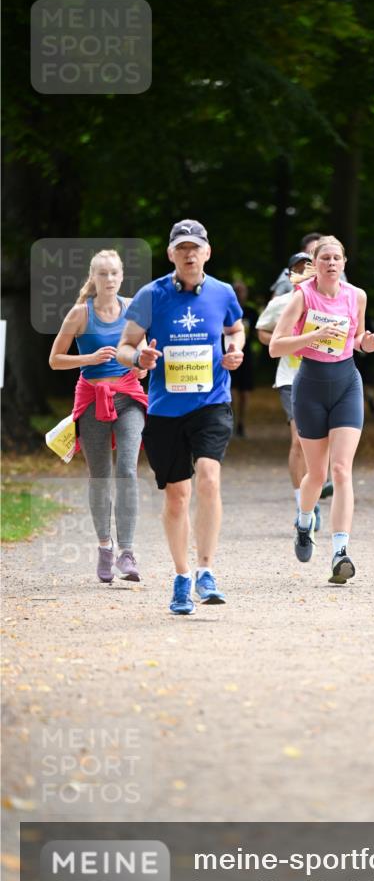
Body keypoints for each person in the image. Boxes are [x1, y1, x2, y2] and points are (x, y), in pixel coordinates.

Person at [116, 220, 244, 614]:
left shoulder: (222, 292)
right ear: (171, 254)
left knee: (208, 477)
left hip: (211, 403)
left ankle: (207, 571)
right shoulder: (150, 295)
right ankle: (182, 575)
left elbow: (236, 328)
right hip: (166, 410)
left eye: (196, 247)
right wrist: (140, 357)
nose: (190, 254)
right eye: (182, 248)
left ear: (207, 252)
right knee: (177, 497)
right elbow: (123, 346)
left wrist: (235, 350)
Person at [269, 235, 374, 583]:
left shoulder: (357, 296)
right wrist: (311, 338)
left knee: (341, 470)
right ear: (314, 265)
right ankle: (304, 521)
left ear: (344, 263)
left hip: (347, 383)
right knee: (316, 474)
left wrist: (367, 343)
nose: (331, 263)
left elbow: (358, 339)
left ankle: (340, 552)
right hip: (310, 387)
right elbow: (275, 346)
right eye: (325, 258)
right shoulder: (302, 296)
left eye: (337, 258)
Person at [49, 250, 147, 584]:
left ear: (122, 276)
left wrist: (142, 361)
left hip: (129, 396)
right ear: (93, 277)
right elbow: (55, 359)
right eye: (102, 274)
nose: (108, 280)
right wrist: (88, 358)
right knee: (100, 476)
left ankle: (127, 553)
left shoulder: (134, 308)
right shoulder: (79, 314)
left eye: (114, 273)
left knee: (127, 471)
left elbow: (141, 360)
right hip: (91, 398)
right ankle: (105, 546)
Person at [255, 251, 323, 530]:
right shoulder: (282, 302)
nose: (303, 272)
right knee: (298, 440)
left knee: (319, 443)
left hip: (321, 377)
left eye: (308, 267)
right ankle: (301, 502)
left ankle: (313, 493)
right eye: (298, 268)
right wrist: (288, 340)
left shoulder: (326, 303)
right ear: (289, 274)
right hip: (290, 378)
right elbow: (261, 331)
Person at [230, 281, 258, 438]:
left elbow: (257, 333)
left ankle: (241, 422)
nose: (239, 293)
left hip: (246, 357)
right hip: (229, 354)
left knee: (245, 393)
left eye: (242, 290)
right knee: (232, 391)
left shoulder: (251, 312)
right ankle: (232, 422)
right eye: (236, 290)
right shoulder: (226, 310)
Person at [270, 232, 323, 298]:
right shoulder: (287, 273)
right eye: (311, 252)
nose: (315, 256)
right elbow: (275, 303)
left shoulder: (335, 273)